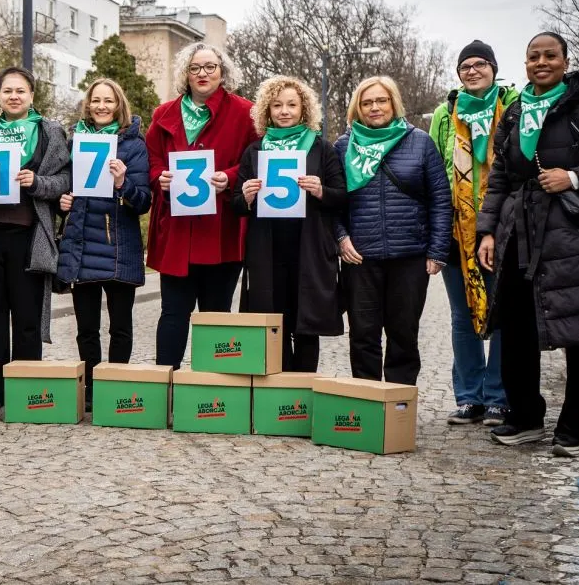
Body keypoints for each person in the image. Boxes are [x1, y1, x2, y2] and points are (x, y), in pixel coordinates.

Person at [477, 32, 579, 456]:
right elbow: (499, 178)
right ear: (525, 63)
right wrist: (489, 231)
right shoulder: (515, 111)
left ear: (565, 61)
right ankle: (525, 418)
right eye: (533, 56)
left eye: (550, 55)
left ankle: (575, 431)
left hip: (576, 234)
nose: (541, 62)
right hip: (520, 232)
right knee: (514, 328)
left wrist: (573, 177)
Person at [0, 67, 70, 401]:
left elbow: (65, 180)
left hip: (29, 238)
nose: (14, 96)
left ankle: (25, 392)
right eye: (7, 91)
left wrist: (36, 183)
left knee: (27, 318)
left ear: (31, 95)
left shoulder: (50, 132)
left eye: (20, 91)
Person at [145, 42, 257, 369]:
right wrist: (158, 177)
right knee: (173, 312)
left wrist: (232, 176)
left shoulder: (243, 112)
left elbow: (257, 156)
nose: (202, 74)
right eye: (195, 68)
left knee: (216, 314)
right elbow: (151, 158)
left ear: (223, 73)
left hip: (221, 228)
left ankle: (211, 392)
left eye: (210, 67)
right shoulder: (163, 114)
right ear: (186, 74)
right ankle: (165, 383)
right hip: (177, 231)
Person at [334, 75, 451, 386]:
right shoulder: (343, 145)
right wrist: (340, 238)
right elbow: (332, 202)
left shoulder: (419, 142)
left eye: (381, 100)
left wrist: (438, 250)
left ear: (394, 103)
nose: (374, 107)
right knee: (363, 335)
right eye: (367, 102)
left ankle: (399, 405)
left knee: (403, 335)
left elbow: (440, 197)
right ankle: (367, 403)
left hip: (409, 256)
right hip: (360, 257)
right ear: (356, 107)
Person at [429, 40, 519, 426]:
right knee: (462, 316)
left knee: (502, 313)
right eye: (465, 66)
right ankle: (469, 398)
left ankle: (498, 396)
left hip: (503, 228)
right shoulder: (444, 115)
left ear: (494, 68)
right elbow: (433, 171)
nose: (472, 70)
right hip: (456, 231)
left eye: (480, 64)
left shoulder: (513, 108)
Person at [235, 76, 345, 372]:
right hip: (267, 253)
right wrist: (245, 196)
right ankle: (279, 393)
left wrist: (322, 190)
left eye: (292, 105)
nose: (284, 111)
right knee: (273, 324)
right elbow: (235, 204)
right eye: (277, 105)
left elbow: (341, 196)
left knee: (306, 324)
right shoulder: (254, 151)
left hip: (308, 250)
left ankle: (304, 391)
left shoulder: (321, 148)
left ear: (303, 109)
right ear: (266, 111)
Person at [55, 78, 151, 407]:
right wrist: (62, 202)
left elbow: (143, 202)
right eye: (96, 100)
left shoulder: (134, 145)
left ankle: (117, 386)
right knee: (86, 329)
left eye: (108, 100)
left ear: (119, 105)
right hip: (82, 244)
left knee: (120, 326)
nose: (101, 106)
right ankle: (93, 391)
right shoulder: (74, 141)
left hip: (119, 245)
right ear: (88, 104)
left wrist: (123, 182)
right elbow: (64, 188)